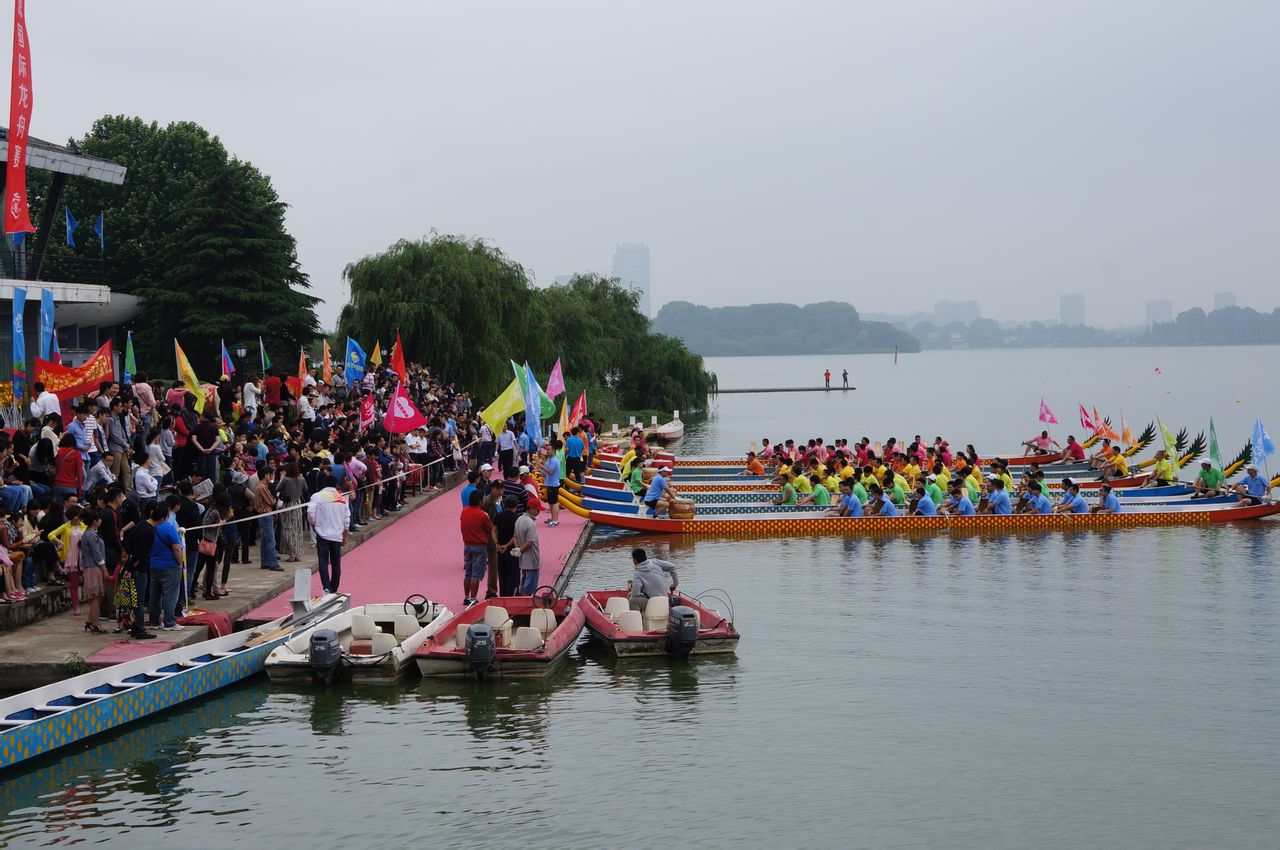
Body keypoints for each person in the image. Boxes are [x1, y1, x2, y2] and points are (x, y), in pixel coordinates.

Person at [308, 486, 349, 594]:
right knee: (336, 562)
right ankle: (334, 587)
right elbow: (346, 518)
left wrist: (313, 524)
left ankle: (326, 587)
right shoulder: (341, 498)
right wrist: (346, 533)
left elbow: (310, 513)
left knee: (323, 561)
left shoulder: (317, 496)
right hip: (336, 534)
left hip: (322, 534)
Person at [459, 489, 495, 605]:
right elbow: (489, 530)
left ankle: (466, 596)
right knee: (476, 574)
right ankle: (473, 598)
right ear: (480, 501)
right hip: (479, 546)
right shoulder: (482, 515)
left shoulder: (464, 511)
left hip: (467, 545)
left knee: (468, 573)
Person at [77, 508, 109, 633]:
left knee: (98, 596)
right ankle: (95, 623)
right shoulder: (90, 535)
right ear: (95, 521)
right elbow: (97, 555)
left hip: (92, 567)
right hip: (93, 568)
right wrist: (104, 570)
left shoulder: (90, 534)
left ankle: (91, 621)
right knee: (96, 596)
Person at [627, 547, 678, 611]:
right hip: (665, 601)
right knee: (630, 595)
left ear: (634, 560)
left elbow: (635, 594)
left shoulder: (638, 573)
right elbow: (672, 567)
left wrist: (639, 589)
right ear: (645, 556)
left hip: (655, 605)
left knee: (632, 600)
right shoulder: (655, 562)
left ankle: (638, 619)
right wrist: (675, 583)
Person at [493, 494, 521, 596]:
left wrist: (497, 543)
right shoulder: (517, 518)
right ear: (515, 506)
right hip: (512, 551)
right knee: (513, 576)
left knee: (502, 575)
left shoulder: (499, 516)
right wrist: (507, 545)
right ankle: (512, 596)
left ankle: (503, 596)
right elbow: (516, 536)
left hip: (500, 550)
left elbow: (494, 530)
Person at [513, 497, 542, 594]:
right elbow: (530, 542)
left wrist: (518, 549)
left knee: (523, 583)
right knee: (530, 586)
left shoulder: (519, 519)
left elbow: (515, 537)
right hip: (532, 560)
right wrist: (521, 550)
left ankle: (521, 599)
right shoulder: (531, 523)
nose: (539, 512)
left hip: (523, 560)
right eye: (538, 510)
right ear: (532, 508)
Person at [540, 443, 561, 527]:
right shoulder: (550, 460)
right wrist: (542, 465)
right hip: (550, 483)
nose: (547, 452)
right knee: (551, 502)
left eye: (549, 450)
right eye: (546, 450)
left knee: (554, 502)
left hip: (553, 484)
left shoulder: (554, 460)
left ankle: (555, 520)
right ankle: (553, 518)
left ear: (553, 450)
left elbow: (550, 471)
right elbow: (545, 473)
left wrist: (541, 465)